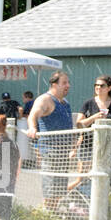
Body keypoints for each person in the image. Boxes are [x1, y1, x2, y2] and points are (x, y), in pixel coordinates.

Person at [74, 75, 111, 193]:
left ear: (109, 88)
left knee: (105, 176)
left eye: (102, 85)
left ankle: (104, 205)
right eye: (96, 85)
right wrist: (94, 117)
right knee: (84, 177)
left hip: (109, 146)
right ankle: (78, 202)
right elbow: (79, 124)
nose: (98, 88)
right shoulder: (89, 103)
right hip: (88, 145)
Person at [27, 72, 75, 206]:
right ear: (54, 84)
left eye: (68, 82)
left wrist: (73, 147)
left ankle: (53, 215)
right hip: (50, 150)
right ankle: (46, 214)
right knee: (50, 188)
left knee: (60, 189)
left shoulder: (65, 102)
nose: (68, 86)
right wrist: (32, 127)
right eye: (64, 83)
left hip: (64, 152)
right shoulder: (45, 99)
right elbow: (33, 115)